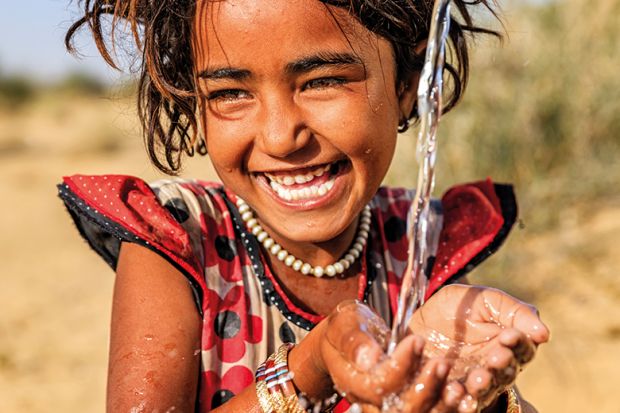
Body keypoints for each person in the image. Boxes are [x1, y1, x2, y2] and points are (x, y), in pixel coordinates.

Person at [59, 0, 550, 412]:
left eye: (321, 81)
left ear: (407, 84)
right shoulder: (180, 240)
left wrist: (486, 398)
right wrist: (309, 369)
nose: (279, 137)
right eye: (230, 93)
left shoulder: (424, 241)